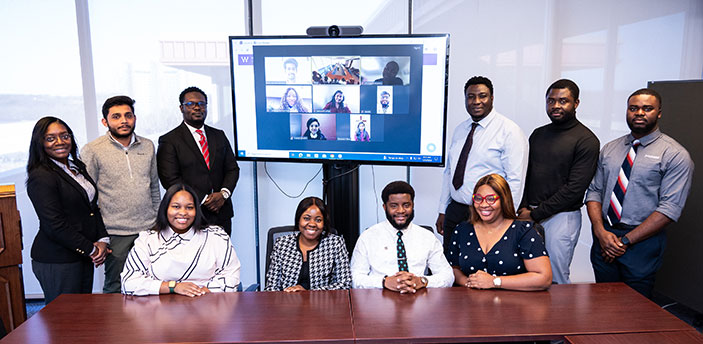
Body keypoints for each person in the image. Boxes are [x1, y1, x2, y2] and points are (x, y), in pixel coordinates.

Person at [585, 88, 694, 298]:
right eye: (633, 108)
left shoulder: (675, 155)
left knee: (635, 310)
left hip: (641, 244)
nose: (639, 113)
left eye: (647, 108)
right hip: (605, 238)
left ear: (659, 112)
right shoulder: (610, 149)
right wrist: (600, 232)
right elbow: (594, 192)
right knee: (601, 304)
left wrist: (624, 241)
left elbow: (669, 209)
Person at [517, 80, 599, 284]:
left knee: (556, 278)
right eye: (551, 101)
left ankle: (560, 317)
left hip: (562, 218)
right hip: (530, 215)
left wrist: (535, 214)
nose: (556, 106)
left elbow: (575, 189)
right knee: (527, 274)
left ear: (576, 103)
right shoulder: (538, 134)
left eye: (563, 101)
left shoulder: (586, 140)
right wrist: (524, 208)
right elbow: (526, 174)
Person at [436, 76, 528, 255]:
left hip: (487, 213)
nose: (476, 101)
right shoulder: (461, 130)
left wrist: (508, 220)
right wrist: (443, 210)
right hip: (455, 210)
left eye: (482, 96)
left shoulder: (509, 131)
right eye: (471, 96)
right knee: (450, 264)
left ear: (492, 98)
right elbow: (450, 172)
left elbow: (515, 179)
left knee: (478, 266)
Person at [80, 95, 160, 294]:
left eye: (128, 115)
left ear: (135, 118)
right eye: (116, 116)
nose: (124, 121)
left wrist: (159, 221)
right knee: (116, 286)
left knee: (152, 282)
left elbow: (154, 187)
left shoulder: (148, 145)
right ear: (105, 121)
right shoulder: (93, 150)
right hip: (116, 232)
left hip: (149, 229)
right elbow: (87, 196)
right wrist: (98, 234)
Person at [26, 117, 110, 304]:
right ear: (39, 143)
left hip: (80, 255)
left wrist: (103, 240)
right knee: (62, 319)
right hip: (57, 259)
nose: (60, 142)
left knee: (81, 314)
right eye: (51, 138)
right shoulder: (41, 176)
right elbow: (54, 224)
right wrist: (91, 249)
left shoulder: (75, 167)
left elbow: (92, 208)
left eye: (65, 136)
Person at [121, 183, 241, 296]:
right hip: (160, 312)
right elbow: (128, 283)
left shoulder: (217, 237)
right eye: (176, 207)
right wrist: (173, 287)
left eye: (189, 207)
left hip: (207, 306)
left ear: (196, 210)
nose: (183, 213)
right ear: (165, 209)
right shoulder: (147, 240)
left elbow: (231, 276)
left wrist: (200, 291)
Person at [157, 86, 240, 235]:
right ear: (181, 108)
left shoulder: (219, 135)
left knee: (221, 257)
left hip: (221, 213)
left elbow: (232, 169)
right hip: (190, 214)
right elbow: (170, 179)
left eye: (201, 104)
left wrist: (223, 194)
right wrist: (204, 199)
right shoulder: (169, 140)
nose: (197, 107)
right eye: (190, 104)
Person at [449, 174, 552, 291]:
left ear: (504, 200)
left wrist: (494, 282)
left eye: (491, 199)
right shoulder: (462, 230)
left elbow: (544, 278)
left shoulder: (524, 231)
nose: (483, 205)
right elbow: (453, 268)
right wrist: (471, 283)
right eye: (478, 198)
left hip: (515, 304)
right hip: (471, 302)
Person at [351, 181, 454, 292]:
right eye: (394, 206)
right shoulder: (368, 237)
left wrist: (422, 281)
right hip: (378, 300)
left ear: (413, 205)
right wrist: (384, 282)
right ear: (384, 207)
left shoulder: (427, 237)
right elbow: (355, 279)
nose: (401, 211)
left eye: (406, 205)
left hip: (418, 299)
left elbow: (448, 276)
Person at [265, 197, 351, 292]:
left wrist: (308, 293)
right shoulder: (282, 244)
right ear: (298, 220)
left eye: (318, 220)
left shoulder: (335, 244)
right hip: (287, 303)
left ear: (324, 223)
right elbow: (271, 287)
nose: (312, 224)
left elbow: (345, 284)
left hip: (323, 304)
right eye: (306, 218)